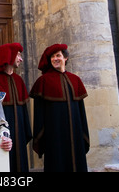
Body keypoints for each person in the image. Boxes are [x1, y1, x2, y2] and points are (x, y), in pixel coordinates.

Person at [30, 44, 90, 172]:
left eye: (58, 55)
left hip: (76, 134)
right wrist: (41, 137)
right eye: (52, 56)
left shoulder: (75, 80)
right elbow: (39, 114)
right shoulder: (43, 81)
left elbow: (81, 113)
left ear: (65, 58)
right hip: (54, 137)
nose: (55, 59)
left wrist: (83, 134)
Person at [0, 43, 32, 172]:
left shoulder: (19, 80)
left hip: (19, 137)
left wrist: (25, 134)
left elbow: (24, 113)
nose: (21, 59)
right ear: (8, 56)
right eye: (18, 55)